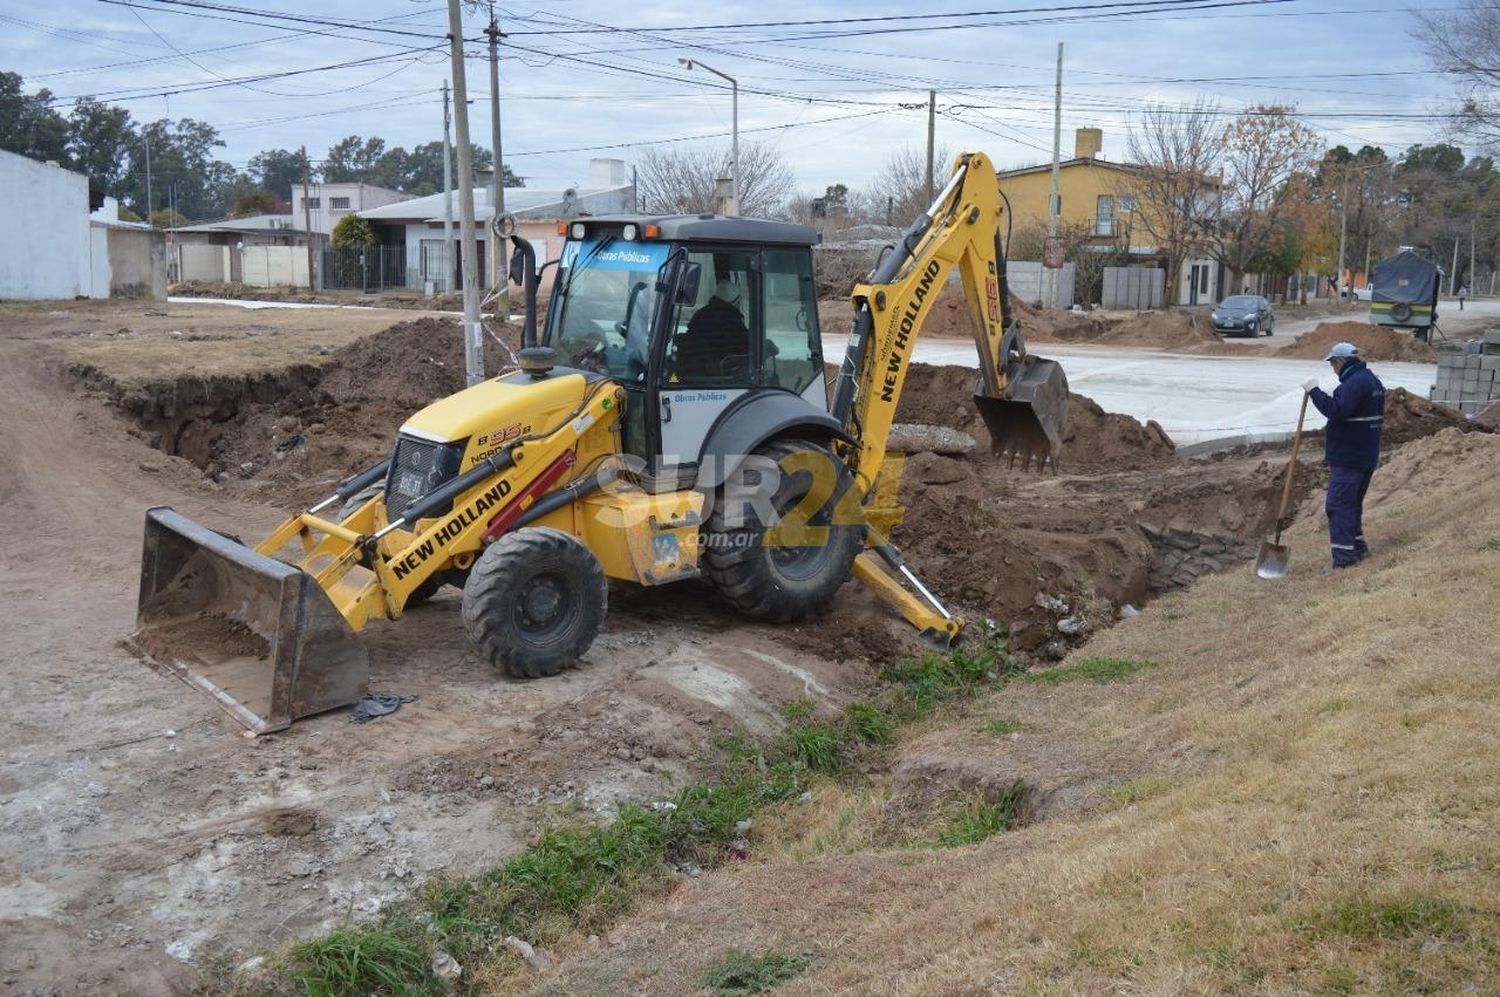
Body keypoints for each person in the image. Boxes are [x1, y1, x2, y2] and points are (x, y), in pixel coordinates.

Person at [1302, 342, 1385, 570]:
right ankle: (1357, 548)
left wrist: (1314, 392)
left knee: (1338, 506)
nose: (1333, 369)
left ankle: (1344, 560)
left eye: (1333, 364)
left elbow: (1337, 411)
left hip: (1350, 457)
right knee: (1352, 505)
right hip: (1365, 455)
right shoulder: (1370, 379)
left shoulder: (1355, 383)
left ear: (1340, 362)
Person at [674, 278, 750, 380]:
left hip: (693, 371)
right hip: (721, 374)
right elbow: (745, 345)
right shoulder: (731, 320)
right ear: (735, 302)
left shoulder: (701, 314)